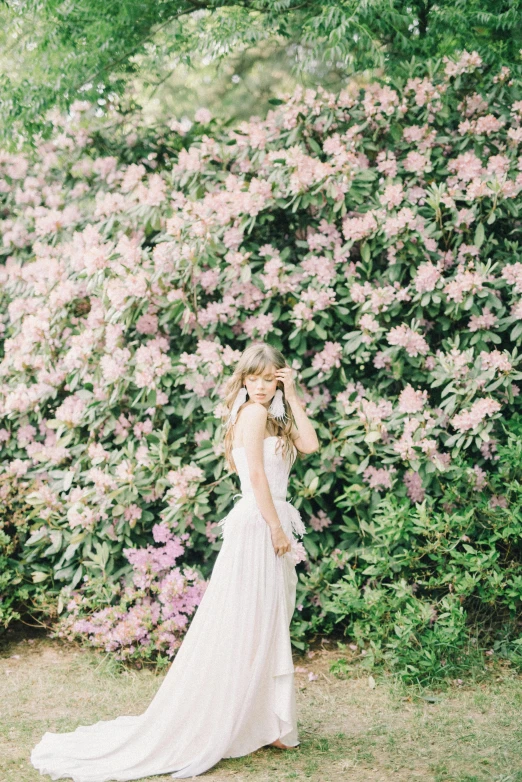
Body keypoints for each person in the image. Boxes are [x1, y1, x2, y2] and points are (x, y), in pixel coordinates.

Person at [30, 341, 320, 781]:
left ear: (278, 377)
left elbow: (310, 444)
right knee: (257, 619)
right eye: (253, 378)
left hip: (261, 520)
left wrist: (293, 395)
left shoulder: (268, 413)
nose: (260, 387)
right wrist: (277, 528)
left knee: (260, 619)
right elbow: (257, 477)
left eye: (269, 378)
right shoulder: (255, 414)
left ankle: (262, 720)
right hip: (261, 522)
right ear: (243, 380)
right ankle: (261, 720)